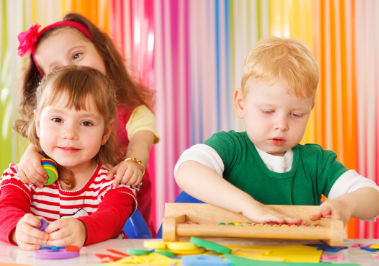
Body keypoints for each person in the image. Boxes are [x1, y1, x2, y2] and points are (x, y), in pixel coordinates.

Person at [174, 37, 379, 225]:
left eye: (296, 114)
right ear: (241, 103)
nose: (281, 124)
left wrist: (347, 204)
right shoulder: (230, 148)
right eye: (268, 111)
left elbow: (373, 198)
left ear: (310, 110)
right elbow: (187, 170)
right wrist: (249, 206)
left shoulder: (316, 163)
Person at [15, 13, 159, 234]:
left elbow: (141, 142)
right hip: (73, 201)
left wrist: (133, 163)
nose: (73, 69)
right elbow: (44, 138)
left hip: (120, 199)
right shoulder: (55, 122)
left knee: (125, 238)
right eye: (56, 69)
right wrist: (31, 153)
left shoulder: (134, 112)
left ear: (102, 51)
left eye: (77, 55)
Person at [0, 66, 137, 250]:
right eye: (57, 120)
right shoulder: (23, 175)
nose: (70, 134)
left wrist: (84, 229)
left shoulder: (114, 182)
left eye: (86, 123)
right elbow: (5, 209)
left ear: (105, 132)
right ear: (39, 124)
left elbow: (113, 217)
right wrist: (18, 230)